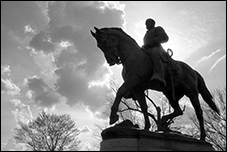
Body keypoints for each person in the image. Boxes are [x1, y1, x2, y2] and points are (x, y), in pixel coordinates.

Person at [142, 18, 169, 86]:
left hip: (157, 49)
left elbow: (165, 37)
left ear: (153, 23)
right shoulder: (146, 35)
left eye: (148, 22)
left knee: (154, 55)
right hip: (147, 50)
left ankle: (160, 76)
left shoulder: (157, 29)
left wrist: (154, 41)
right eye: (146, 23)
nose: (146, 24)